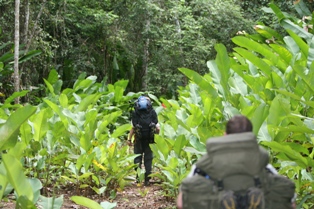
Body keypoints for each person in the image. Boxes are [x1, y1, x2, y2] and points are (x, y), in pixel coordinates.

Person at [176, 115, 296, 209]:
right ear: (250, 136)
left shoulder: (205, 163)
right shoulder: (262, 163)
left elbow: (181, 203)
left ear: (225, 135)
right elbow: (289, 202)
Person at [128, 96, 160, 186]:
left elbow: (133, 128)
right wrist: (156, 138)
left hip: (138, 140)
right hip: (149, 140)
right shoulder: (153, 112)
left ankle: (138, 178)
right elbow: (157, 128)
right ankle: (147, 180)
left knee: (137, 158)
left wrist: (129, 139)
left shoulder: (135, 113)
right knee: (148, 160)